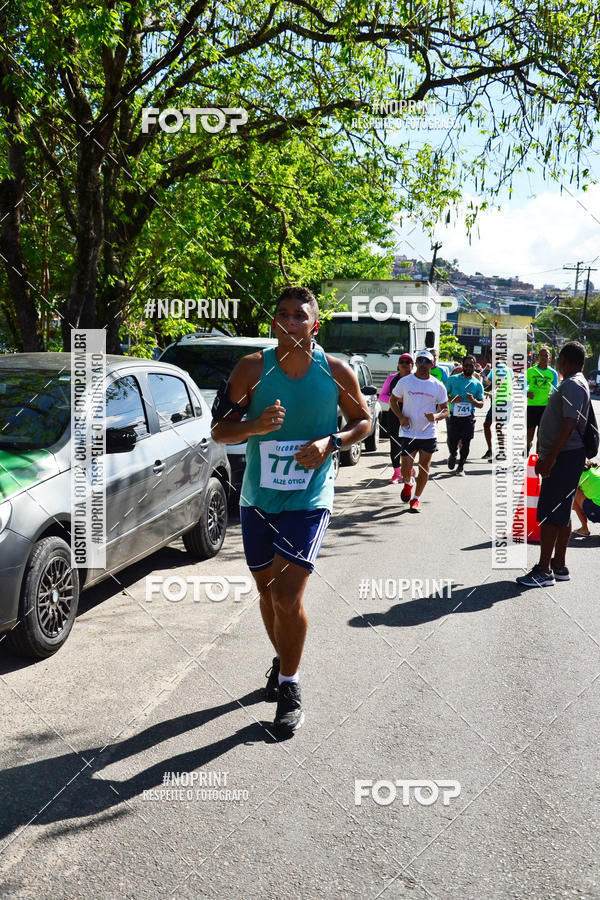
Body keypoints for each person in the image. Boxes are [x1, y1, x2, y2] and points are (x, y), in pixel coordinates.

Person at [212, 286, 371, 731]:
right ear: (274, 323)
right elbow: (220, 431)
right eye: (282, 314)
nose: (290, 321)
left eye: (299, 315)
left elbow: (363, 421)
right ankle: (283, 660)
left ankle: (289, 685)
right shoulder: (251, 369)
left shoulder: (335, 371)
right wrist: (254, 426)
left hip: (309, 497)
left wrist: (331, 443)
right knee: (267, 592)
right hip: (258, 498)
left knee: (287, 595)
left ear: (314, 325)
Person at [517, 341, 590, 587]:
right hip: (567, 456)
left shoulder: (572, 384)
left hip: (564, 458)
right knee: (561, 511)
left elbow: (570, 423)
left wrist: (551, 457)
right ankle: (558, 565)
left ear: (564, 361)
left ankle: (544, 570)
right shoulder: (574, 383)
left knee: (550, 513)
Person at [389, 349, 449, 512]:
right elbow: (393, 401)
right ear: (416, 363)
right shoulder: (405, 381)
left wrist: (436, 416)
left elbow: (446, 409)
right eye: (420, 361)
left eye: (426, 361)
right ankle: (408, 482)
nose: (423, 364)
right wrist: (401, 417)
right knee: (406, 468)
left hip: (428, 432)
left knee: (424, 466)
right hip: (408, 431)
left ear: (432, 364)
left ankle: (416, 499)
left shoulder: (438, 385)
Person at [446, 354, 485, 475]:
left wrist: (473, 401)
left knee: (466, 443)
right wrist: (453, 399)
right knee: (452, 441)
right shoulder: (453, 379)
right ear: (462, 365)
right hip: (454, 416)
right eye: (466, 365)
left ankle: (461, 466)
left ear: (474, 366)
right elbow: (443, 396)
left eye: (471, 365)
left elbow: (481, 404)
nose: (468, 368)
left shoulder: (477, 384)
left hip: (468, 418)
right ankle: (453, 454)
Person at [379, 354, 414, 483]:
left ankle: (409, 469)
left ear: (412, 365)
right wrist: (395, 400)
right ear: (398, 365)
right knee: (395, 444)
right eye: (402, 362)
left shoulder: (416, 379)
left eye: (407, 362)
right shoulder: (392, 378)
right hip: (394, 415)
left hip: (411, 416)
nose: (404, 364)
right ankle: (397, 473)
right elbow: (382, 396)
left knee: (409, 444)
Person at [526, 346, 559, 453]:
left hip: (546, 407)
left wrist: (552, 396)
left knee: (541, 434)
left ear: (549, 358)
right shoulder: (531, 371)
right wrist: (527, 392)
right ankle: (528, 445)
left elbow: (556, 389)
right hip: (532, 405)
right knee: (529, 433)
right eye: (542, 355)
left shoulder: (553, 373)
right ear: (538, 357)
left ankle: (538, 456)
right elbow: (522, 385)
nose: (544, 357)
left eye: (546, 355)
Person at [483, 360, 513, 460]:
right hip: (501, 401)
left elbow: (492, 383)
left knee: (498, 426)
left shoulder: (497, 370)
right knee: (488, 424)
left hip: (503, 401)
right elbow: (494, 385)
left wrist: (483, 391)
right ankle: (491, 450)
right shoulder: (508, 370)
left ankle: (501, 452)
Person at [572, 461, 600, 536]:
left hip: (597, 511)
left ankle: (584, 529)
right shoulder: (596, 469)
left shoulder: (576, 475)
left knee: (573, 492)